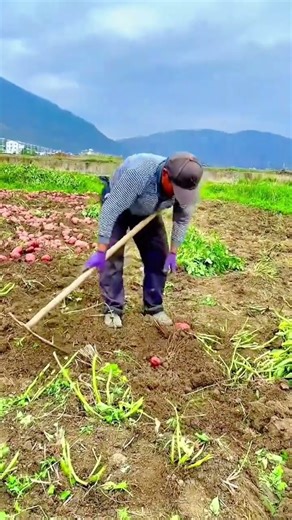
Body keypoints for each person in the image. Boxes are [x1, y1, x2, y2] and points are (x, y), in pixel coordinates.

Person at [85, 152, 203, 328]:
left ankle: (153, 307)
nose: (179, 196)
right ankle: (113, 308)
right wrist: (102, 250)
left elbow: (182, 218)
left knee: (158, 256)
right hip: (118, 205)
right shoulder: (138, 174)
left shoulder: (186, 186)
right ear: (165, 174)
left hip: (147, 212)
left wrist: (173, 252)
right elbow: (110, 210)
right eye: (176, 191)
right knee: (112, 257)